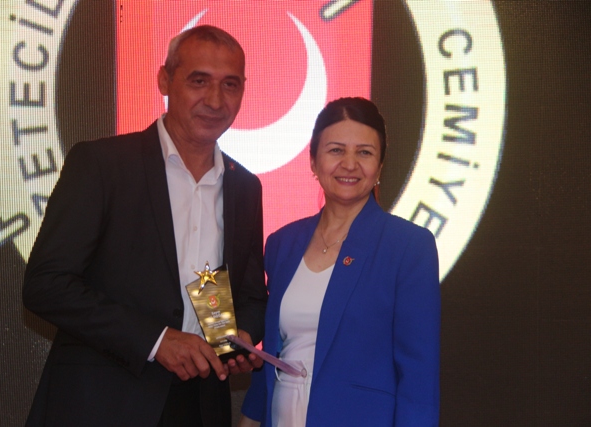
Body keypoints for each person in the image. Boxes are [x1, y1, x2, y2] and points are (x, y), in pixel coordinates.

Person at [23, 25, 268, 427]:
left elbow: (248, 296)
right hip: (102, 404)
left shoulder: (245, 187)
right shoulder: (102, 165)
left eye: (230, 84)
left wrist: (232, 337)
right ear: (164, 80)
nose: (215, 100)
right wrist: (156, 341)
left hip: (201, 405)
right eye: (199, 81)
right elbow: (46, 284)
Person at [239, 97, 440, 427]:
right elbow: (276, 353)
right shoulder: (281, 244)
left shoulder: (409, 246)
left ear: (380, 166)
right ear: (313, 161)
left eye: (364, 153)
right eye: (336, 150)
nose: (349, 164)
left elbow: (419, 376)